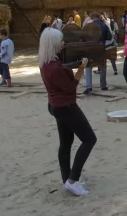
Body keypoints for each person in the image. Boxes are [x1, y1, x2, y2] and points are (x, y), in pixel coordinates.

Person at [39, 28, 96, 196]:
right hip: (66, 106)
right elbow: (71, 86)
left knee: (66, 142)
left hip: (56, 105)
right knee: (89, 139)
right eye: (60, 41)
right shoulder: (56, 68)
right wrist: (82, 67)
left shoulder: (46, 62)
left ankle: (67, 179)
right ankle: (73, 180)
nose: (63, 43)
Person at [83, 13, 112, 94]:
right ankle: (103, 85)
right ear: (99, 18)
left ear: (92, 18)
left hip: (90, 48)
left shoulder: (88, 26)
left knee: (88, 67)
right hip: (101, 48)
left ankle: (89, 86)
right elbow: (110, 37)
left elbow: (82, 38)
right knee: (102, 66)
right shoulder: (104, 25)